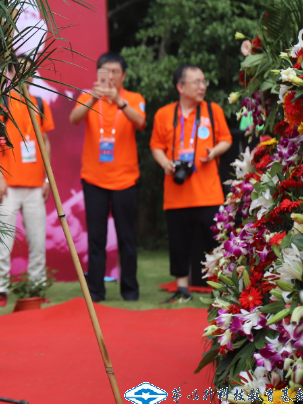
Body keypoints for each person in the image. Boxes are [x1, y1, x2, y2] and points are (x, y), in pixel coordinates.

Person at [150, 64, 232, 303]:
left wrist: (213, 151)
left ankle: (224, 289)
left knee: (215, 242)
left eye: (203, 81)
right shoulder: (164, 114)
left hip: (209, 193)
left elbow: (226, 138)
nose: (202, 86)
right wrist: (165, 163)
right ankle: (182, 289)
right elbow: (155, 145)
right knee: (178, 244)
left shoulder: (212, 110)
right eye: (196, 82)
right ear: (180, 87)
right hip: (176, 194)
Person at [69, 52, 146, 302]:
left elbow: (141, 122)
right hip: (94, 179)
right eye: (106, 72)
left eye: (115, 72)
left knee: (127, 237)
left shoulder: (133, 98)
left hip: (125, 179)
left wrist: (120, 103)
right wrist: (93, 98)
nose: (111, 76)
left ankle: (130, 291)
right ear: (98, 74)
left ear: (124, 76)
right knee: (96, 239)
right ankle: (96, 292)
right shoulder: (89, 97)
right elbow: (73, 119)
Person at [0, 63, 54, 307]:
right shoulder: (1, 103)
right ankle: (0, 289)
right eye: (21, 70)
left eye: (31, 71)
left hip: (36, 186)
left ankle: (37, 286)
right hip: (8, 185)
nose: (26, 75)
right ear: (11, 73)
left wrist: (47, 178)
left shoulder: (39, 103)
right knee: (3, 240)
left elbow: (45, 142)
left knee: (37, 240)